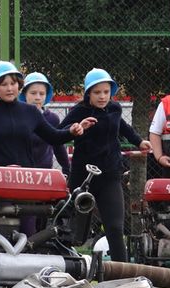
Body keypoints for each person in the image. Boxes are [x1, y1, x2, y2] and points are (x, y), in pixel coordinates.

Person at [59, 68, 152, 262]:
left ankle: (124, 274)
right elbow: (58, 132)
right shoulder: (79, 111)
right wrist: (74, 129)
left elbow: (124, 127)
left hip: (110, 174)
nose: (102, 96)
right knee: (69, 225)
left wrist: (139, 142)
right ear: (88, 93)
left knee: (115, 227)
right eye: (96, 92)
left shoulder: (115, 108)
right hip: (82, 176)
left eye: (106, 92)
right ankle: (63, 265)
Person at [0, 61, 95, 177]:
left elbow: (53, 137)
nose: (10, 88)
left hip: (25, 178)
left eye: (13, 83)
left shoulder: (31, 112)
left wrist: (72, 131)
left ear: (19, 85)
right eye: (4, 84)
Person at [18, 72, 70, 175]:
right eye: (33, 93)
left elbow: (58, 146)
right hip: (20, 173)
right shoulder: (16, 116)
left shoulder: (52, 119)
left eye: (42, 94)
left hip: (44, 173)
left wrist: (67, 168)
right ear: (24, 94)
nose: (37, 97)